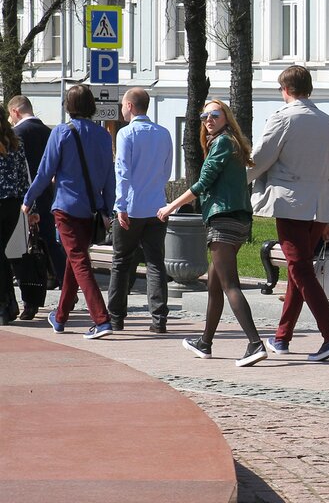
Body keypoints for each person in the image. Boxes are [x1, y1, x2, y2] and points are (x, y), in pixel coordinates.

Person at [247, 66, 329, 362]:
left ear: (285, 90)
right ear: (309, 89)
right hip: (320, 204)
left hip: (291, 203)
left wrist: (233, 179)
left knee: (300, 268)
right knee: (297, 271)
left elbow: (261, 158)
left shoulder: (283, 117)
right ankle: (282, 337)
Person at [157, 99, 267, 367]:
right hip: (236, 220)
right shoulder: (232, 143)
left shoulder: (222, 143)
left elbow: (203, 183)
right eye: (204, 115)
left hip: (223, 220)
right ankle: (205, 342)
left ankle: (255, 344)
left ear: (226, 118)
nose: (208, 119)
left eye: (214, 115)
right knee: (214, 285)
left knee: (230, 285)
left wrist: (171, 206)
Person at [22, 85, 116, 339]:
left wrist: (28, 200)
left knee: (79, 262)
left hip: (65, 208)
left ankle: (101, 319)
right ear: (92, 105)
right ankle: (60, 316)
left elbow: (45, 172)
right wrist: (107, 208)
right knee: (75, 262)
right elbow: (109, 177)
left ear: (68, 105)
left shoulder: (62, 133)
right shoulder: (103, 135)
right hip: (91, 209)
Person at [108, 88, 173, 333]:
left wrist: (120, 205)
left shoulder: (126, 134)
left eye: (123, 105)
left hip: (132, 207)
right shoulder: (164, 133)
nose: (122, 110)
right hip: (157, 206)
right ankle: (159, 319)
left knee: (121, 262)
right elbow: (166, 171)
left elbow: (122, 172)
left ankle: (116, 317)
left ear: (130, 106)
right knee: (156, 263)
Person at [8, 95, 67, 313]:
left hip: (24, 199)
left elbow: (21, 173)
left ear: (15, 111)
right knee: (50, 243)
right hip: (48, 196)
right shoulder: (48, 132)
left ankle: (28, 298)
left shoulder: (16, 135)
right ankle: (66, 282)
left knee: (22, 249)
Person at [0, 106, 31, 325]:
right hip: (12, 204)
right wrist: (26, 205)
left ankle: (5, 305)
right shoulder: (15, 144)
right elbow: (23, 179)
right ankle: (8, 304)